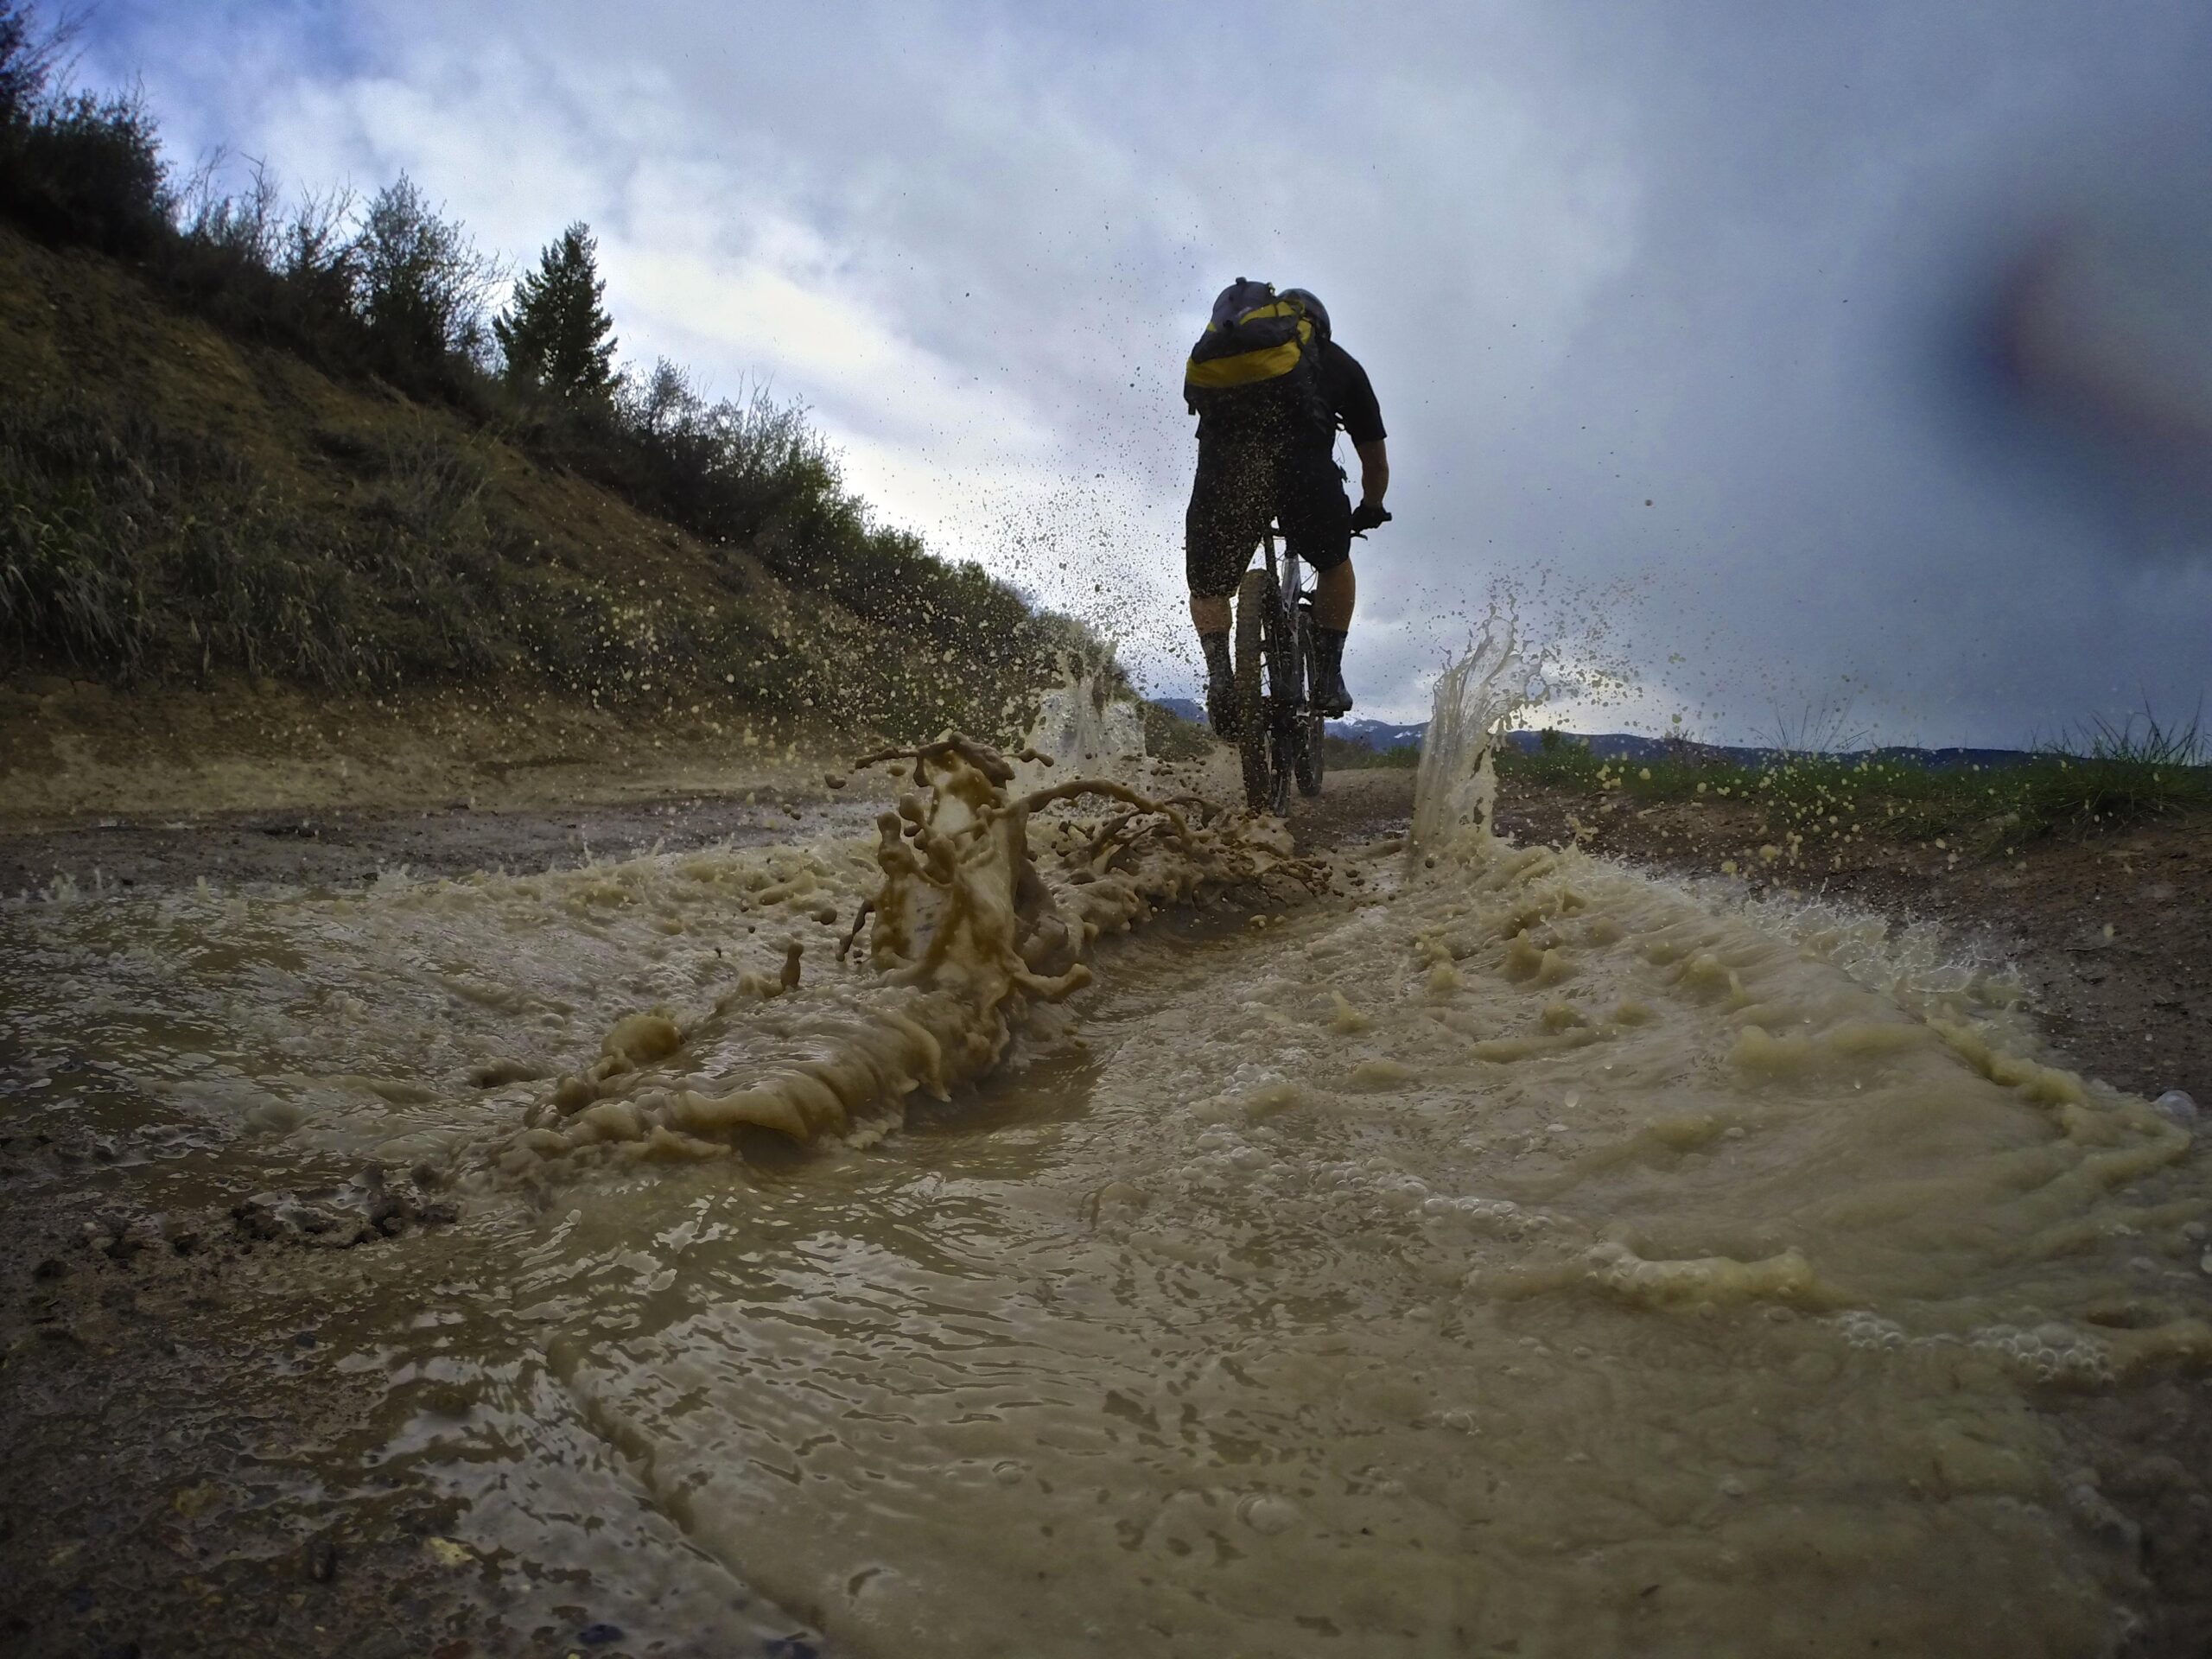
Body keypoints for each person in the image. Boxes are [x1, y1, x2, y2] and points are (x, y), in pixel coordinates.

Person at [1183, 283, 1389, 733]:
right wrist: (1371, 506)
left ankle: (1221, 679)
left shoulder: (1225, 363)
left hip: (1225, 476)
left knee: (1208, 586)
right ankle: (1329, 677)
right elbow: (1373, 458)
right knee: (1335, 563)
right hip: (1303, 475)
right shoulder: (1337, 363)